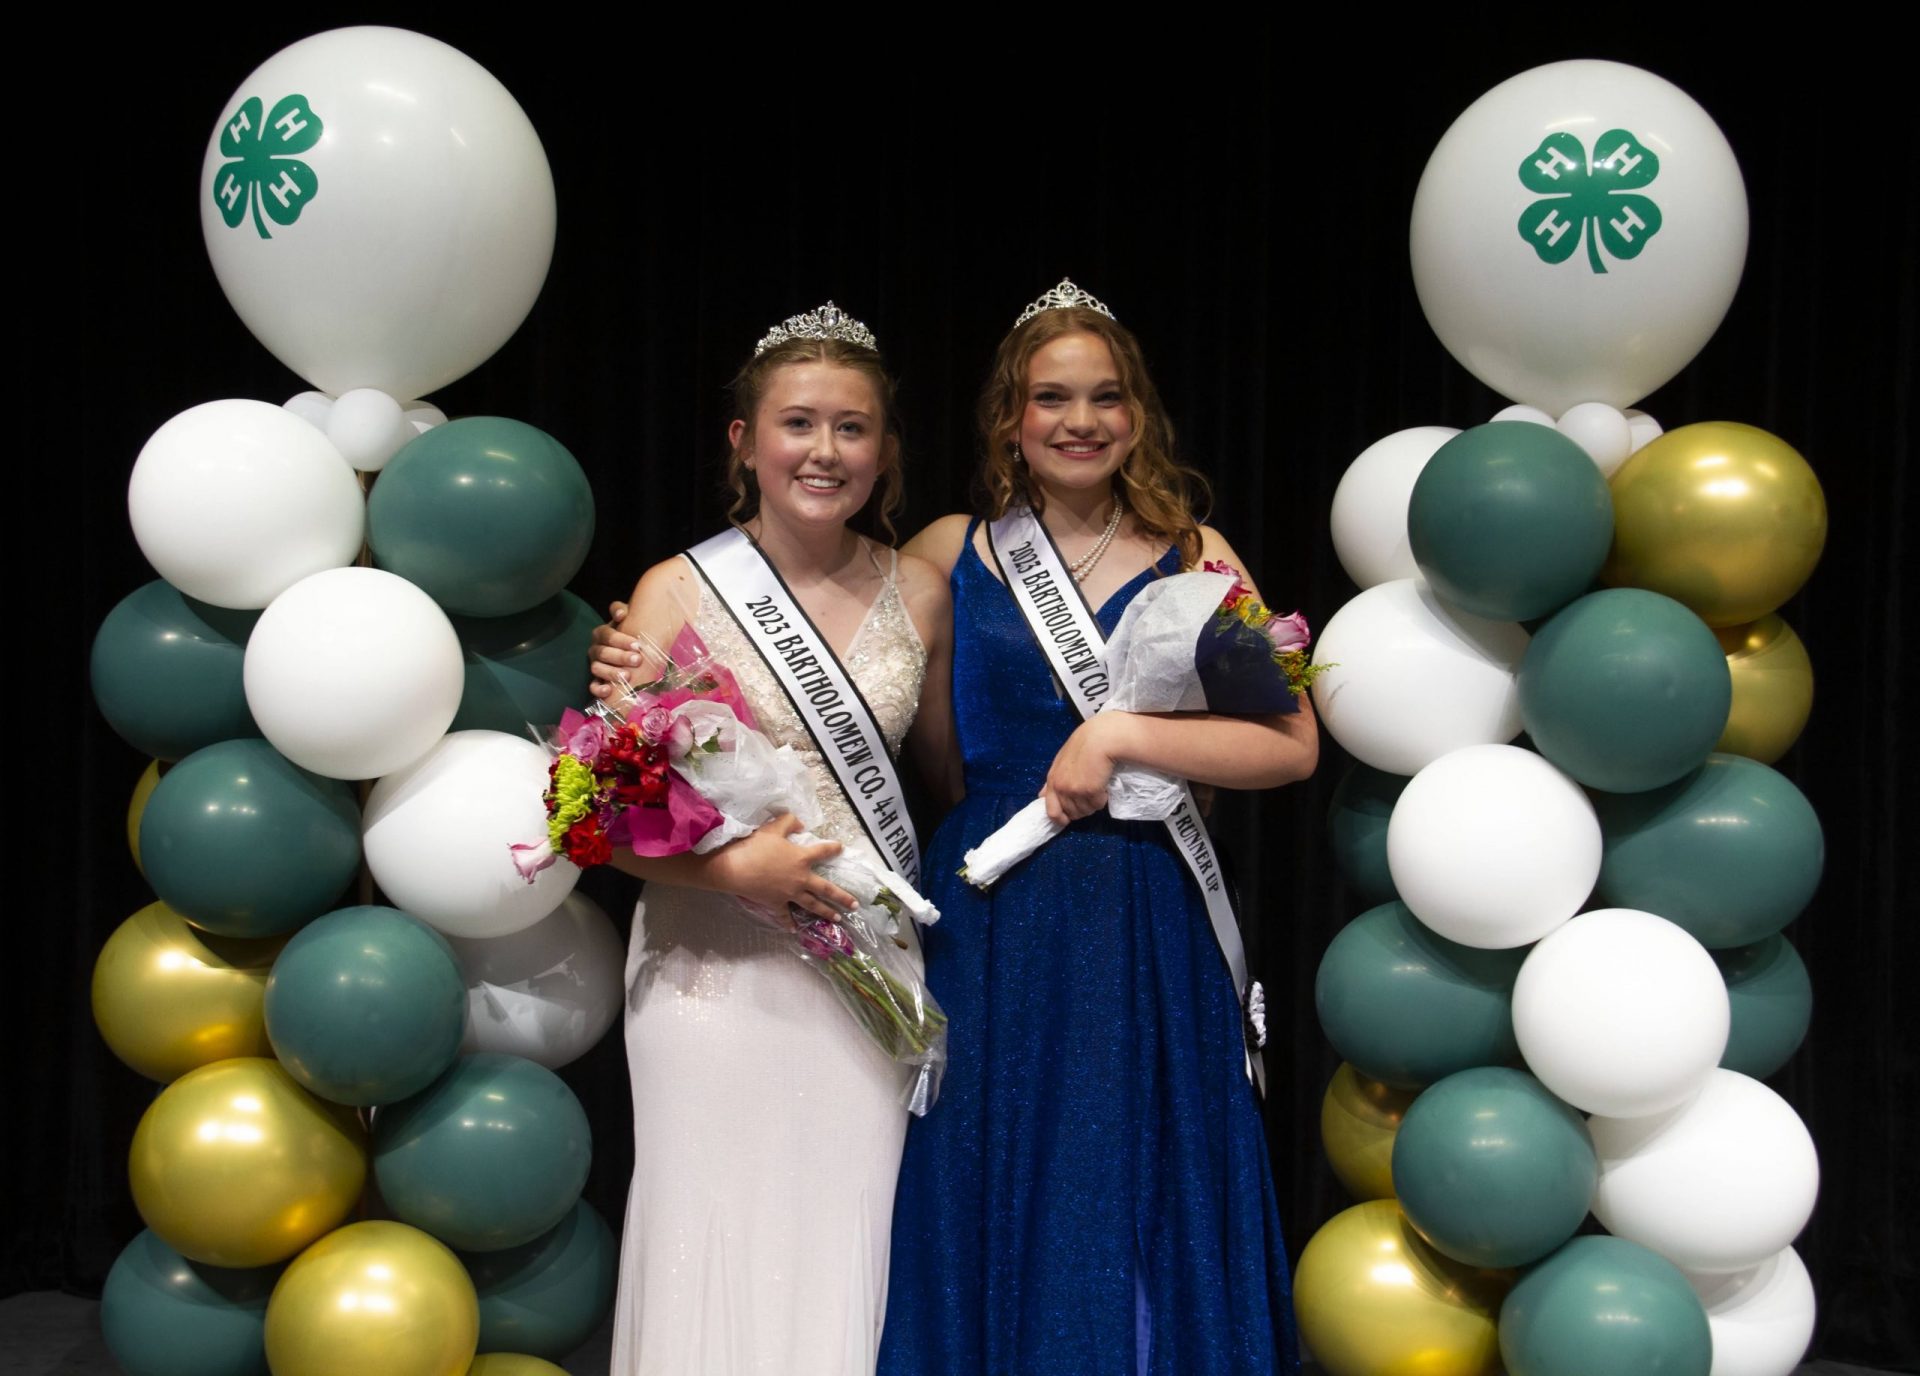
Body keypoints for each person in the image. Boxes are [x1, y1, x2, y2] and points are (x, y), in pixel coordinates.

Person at [880, 281, 1314, 1375]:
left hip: (1145, 907)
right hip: (998, 904)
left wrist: (1123, 737)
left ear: (1139, 414)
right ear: (1011, 420)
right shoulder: (950, 548)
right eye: (1052, 397)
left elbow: (1290, 742)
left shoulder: (1198, 551)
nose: (1081, 420)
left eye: (1106, 396)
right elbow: (914, 732)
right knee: (996, 1162)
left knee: (1134, 1168)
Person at [593, 303, 953, 1376]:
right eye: (799, 423)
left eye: (853, 427)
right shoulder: (673, 588)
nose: (826, 451)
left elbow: (951, 783)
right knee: (709, 1224)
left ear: (883, 451)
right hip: (713, 966)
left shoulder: (919, 593)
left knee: (845, 1226)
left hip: (862, 972)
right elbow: (594, 823)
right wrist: (735, 867)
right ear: (745, 440)